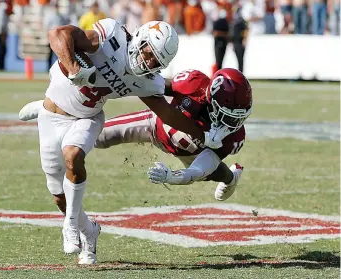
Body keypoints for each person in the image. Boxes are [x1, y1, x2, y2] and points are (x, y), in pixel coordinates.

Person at [22, 19, 230, 265]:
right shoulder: (111, 38)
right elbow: (57, 33)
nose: (148, 63)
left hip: (87, 118)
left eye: (156, 62)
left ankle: (69, 224)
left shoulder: (145, 80)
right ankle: (89, 231)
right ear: (140, 39)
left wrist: (203, 135)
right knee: (58, 195)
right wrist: (75, 68)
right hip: (51, 116)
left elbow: (167, 113)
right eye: (148, 53)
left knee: (73, 155)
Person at [96, 68, 251, 197]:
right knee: (98, 136)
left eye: (238, 118)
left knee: (212, 173)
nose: (232, 125)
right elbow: (156, 86)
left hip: (192, 153)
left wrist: (171, 176)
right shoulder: (193, 85)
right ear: (212, 102)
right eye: (228, 116)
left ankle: (231, 178)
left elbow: (195, 172)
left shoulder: (233, 137)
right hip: (157, 126)